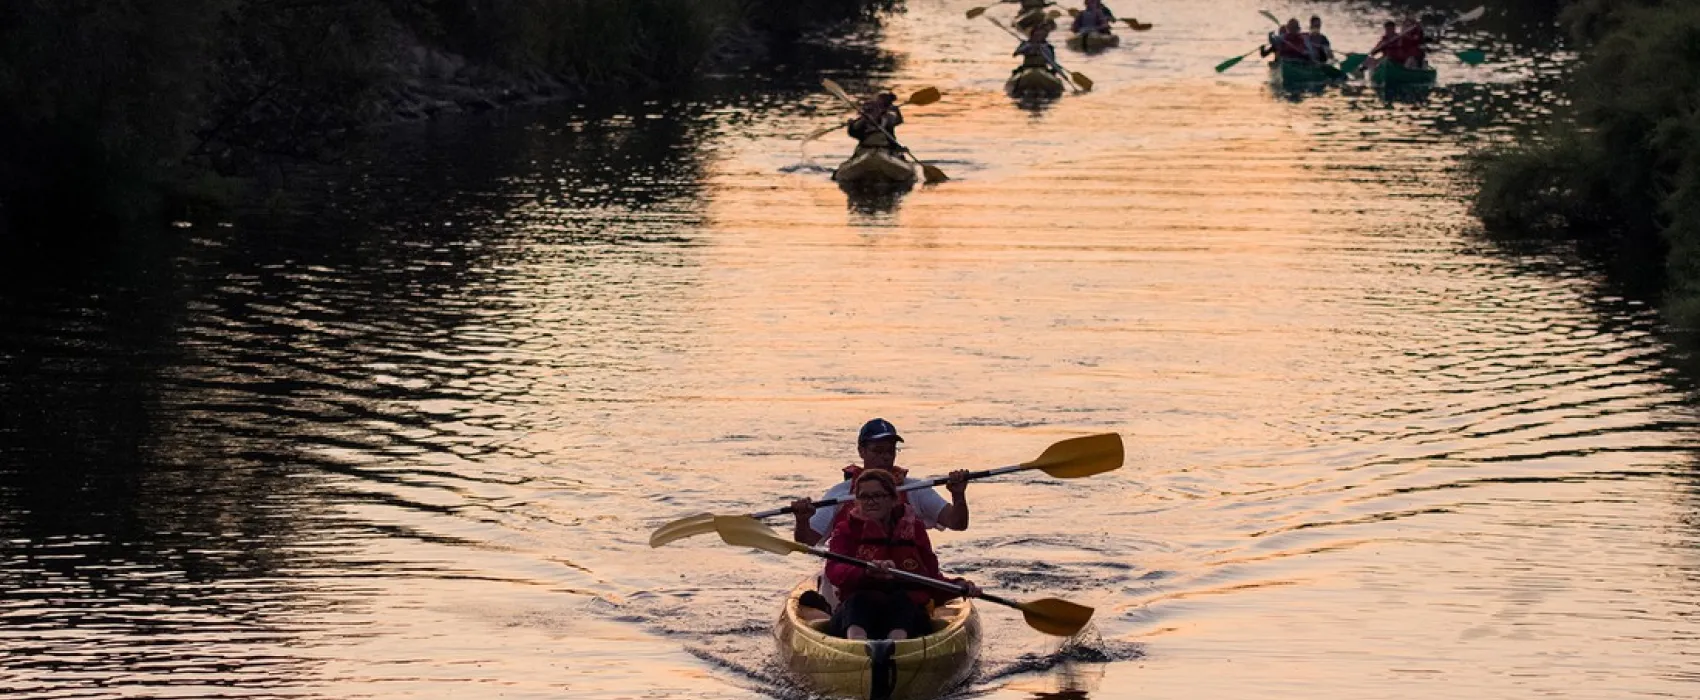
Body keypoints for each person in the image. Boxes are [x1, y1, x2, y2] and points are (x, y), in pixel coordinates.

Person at [824, 469, 982, 640]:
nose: (871, 502)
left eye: (878, 495)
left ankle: (896, 645)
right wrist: (866, 571)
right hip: (857, 611)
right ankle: (857, 645)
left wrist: (960, 586)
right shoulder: (845, 530)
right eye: (864, 497)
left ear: (893, 499)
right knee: (859, 601)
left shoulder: (915, 529)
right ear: (857, 501)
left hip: (906, 613)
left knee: (901, 601)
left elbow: (931, 579)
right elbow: (834, 571)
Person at [790, 418, 970, 548]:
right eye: (878, 451)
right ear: (861, 451)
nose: (885, 457)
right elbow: (807, 541)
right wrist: (802, 520)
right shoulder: (840, 494)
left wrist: (958, 495)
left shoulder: (915, 489)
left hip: (905, 572)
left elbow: (957, 523)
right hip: (854, 576)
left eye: (890, 451)